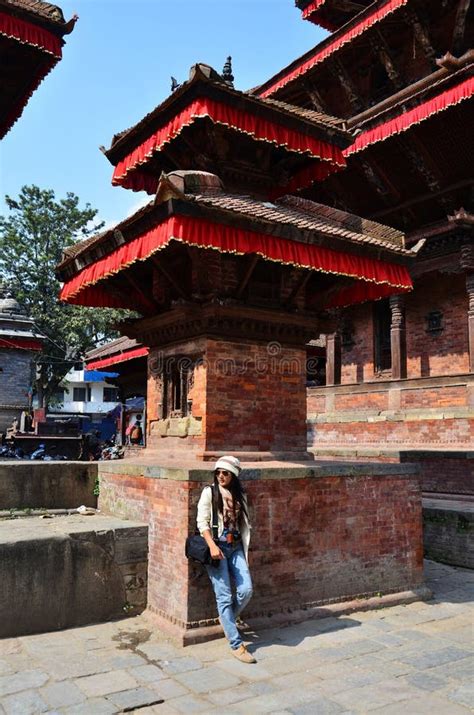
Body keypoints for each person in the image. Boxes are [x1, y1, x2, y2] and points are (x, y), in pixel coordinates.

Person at [196, 455, 255, 664]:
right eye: (218, 472)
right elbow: (201, 522)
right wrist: (212, 546)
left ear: (233, 475)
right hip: (217, 547)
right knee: (223, 596)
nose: (221, 476)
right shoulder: (209, 493)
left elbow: (245, 524)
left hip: (236, 546)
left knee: (246, 590)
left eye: (226, 473)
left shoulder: (240, 495)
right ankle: (236, 644)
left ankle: (226, 619)